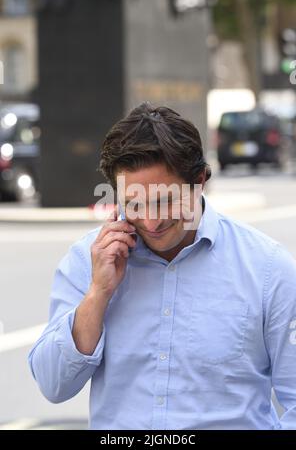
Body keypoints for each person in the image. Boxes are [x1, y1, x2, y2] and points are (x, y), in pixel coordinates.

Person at [28, 102, 296, 430]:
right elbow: (53, 385)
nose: (151, 222)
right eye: (134, 205)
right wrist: (98, 294)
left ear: (199, 181)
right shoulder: (89, 259)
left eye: (165, 200)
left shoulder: (269, 269)